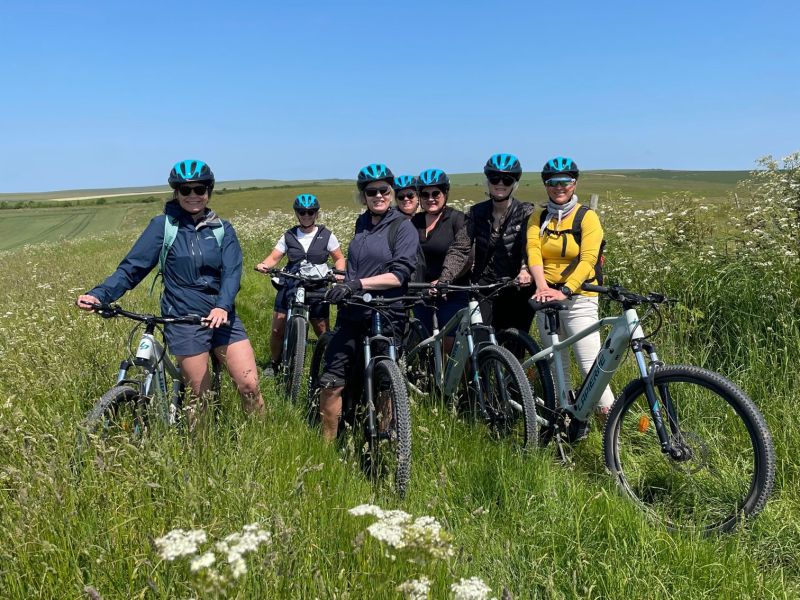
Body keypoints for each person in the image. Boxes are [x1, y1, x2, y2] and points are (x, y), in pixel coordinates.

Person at [76, 159, 264, 416]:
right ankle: (201, 450)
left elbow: (232, 273)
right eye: (185, 190)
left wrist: (222, 306)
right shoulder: (162, 227)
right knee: (200, 396)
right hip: (183, 316)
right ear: (176, 193)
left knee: (249, 385)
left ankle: (258, 435)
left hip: (222, 316)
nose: (193, 195)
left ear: (208, 191)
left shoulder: (222, 229)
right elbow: (132, 268)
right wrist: (99, 294)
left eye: (200, 189)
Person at [318, 163, 419, 441]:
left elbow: (399, 275)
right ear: (363, 195)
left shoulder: (403, 227)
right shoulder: (362, 223)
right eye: (371, 191)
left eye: (383, 190)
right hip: (353, 311)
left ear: (391, 192)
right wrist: (342, 280)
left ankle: (386, 442)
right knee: (332, 381)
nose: (378, 195)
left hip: (386, 313)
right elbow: (356, 264)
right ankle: (325, 449)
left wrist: (357, 284)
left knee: (385, 384)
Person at [527, 156, 614, 417]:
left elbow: (588, 259)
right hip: (546, 298)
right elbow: (533, 251)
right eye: (553, 182)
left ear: (574, 184)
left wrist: (565, 290)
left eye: (565, 181)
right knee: (556, 367)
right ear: (546, 185)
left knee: (592, 369)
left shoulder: (587, 217)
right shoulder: (538, 216)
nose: (559, 187)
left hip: (580, 299)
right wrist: (542, 287)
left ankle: (612, 427)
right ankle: (564, 421)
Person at [439, 153, 534, 333]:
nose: (500, 183)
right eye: (494, 178)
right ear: (487, 181)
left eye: (507, 180)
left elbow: (530, 246)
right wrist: (446, 276)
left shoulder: (526, 212)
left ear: (514, 184)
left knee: (514, 343)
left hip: (516, 286)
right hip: (484, 287)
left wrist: (525, 268)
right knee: (481, 340)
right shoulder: (477, 212)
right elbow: (460, 248)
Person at [255, 194, 346, 376]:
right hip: (291, 284)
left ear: (316, 214)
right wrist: (264, 265)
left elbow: (339, 258)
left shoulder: (326, 235)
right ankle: (274, 363)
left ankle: (328, 365)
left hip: (317, 285)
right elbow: (274, 257)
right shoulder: (288, 236)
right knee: (277, 329)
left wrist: (339, 274)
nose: (306, 216)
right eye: (302, 212)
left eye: (310, 212)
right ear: (297, 213)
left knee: (322, 330)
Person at [411, 168, 471, 353]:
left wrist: (445, 280)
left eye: (436, 193)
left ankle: (465, 382)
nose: (431, 198)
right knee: (424, 343)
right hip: (422, 293)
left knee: (450, 344)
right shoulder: (414, 222)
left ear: (445, 193)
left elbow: (465, 254)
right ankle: (430, 381)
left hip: (452, 291)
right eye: (425, 194)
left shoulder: (457, 219)